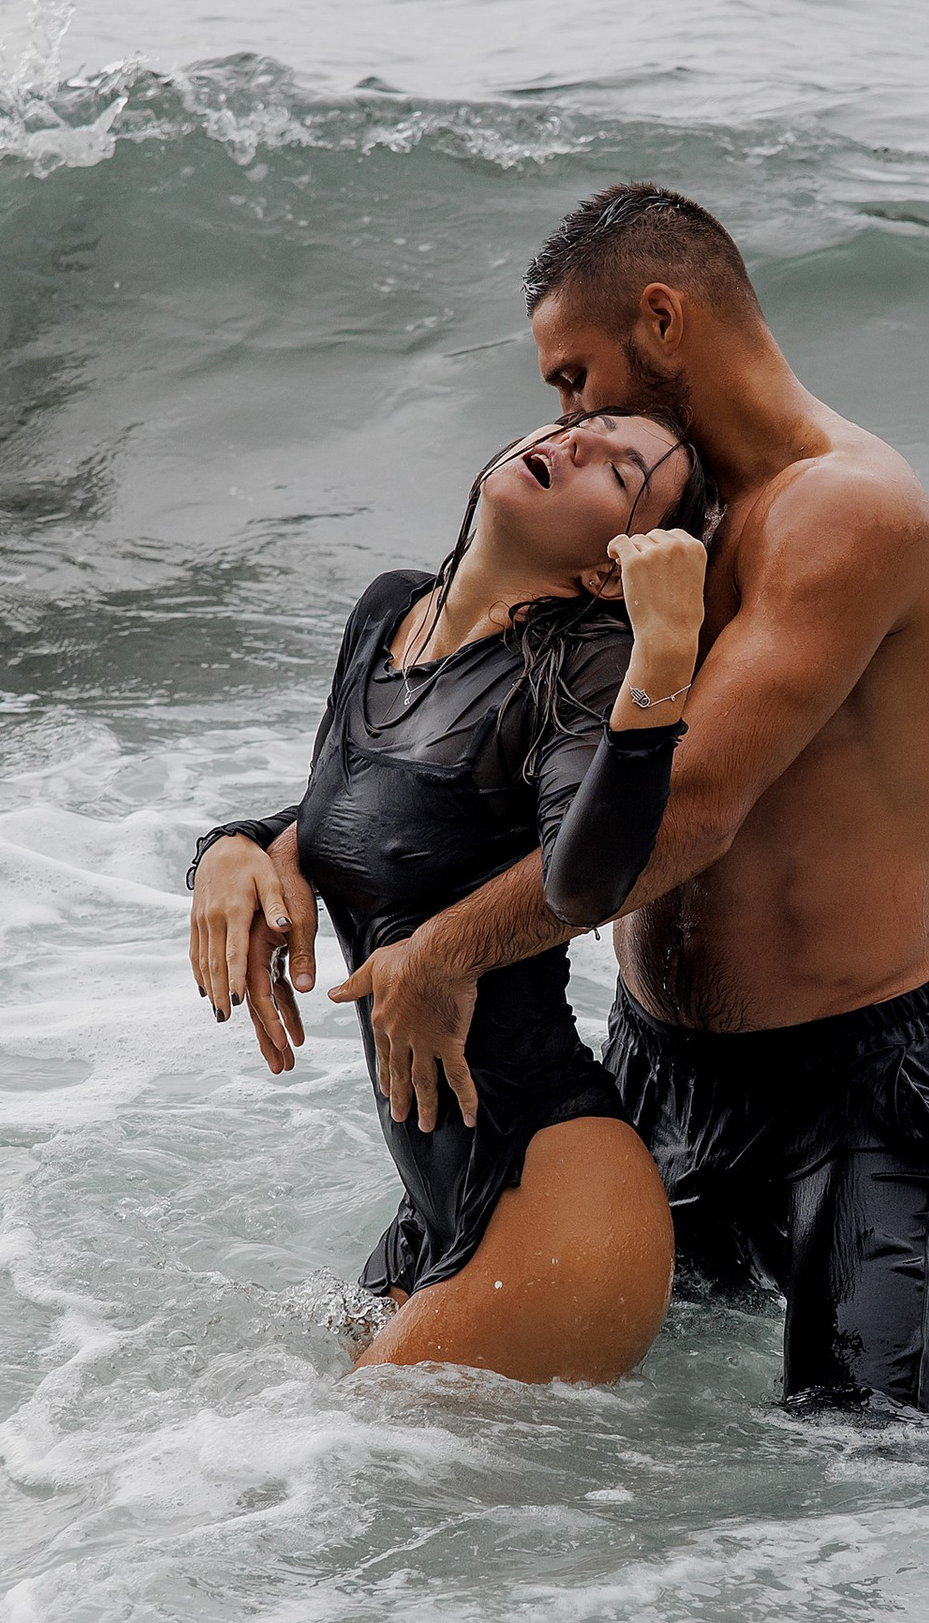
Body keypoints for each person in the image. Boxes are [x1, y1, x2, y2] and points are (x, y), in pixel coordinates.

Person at [197, 184, 929, 1424]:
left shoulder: (837, 513)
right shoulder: (643, 517)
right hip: (661, 1062)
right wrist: (258, 842)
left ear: (664, 319)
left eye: (577, 378)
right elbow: (451, 752)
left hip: (849, 1088)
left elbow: (690, 815)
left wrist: (448, 948)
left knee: (872, 1456)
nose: (564, 415)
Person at [186, 409, 714, 1380]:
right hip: (430, 1214)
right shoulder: (390, 613)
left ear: (613, 565)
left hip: (558, 1200)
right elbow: (348, 817)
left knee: (308, 1491)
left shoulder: (587, 659)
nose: (574, 444)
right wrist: (229, 846)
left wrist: (661, 661)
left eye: (620, 466)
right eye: (579, 425)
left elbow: (587, 879)